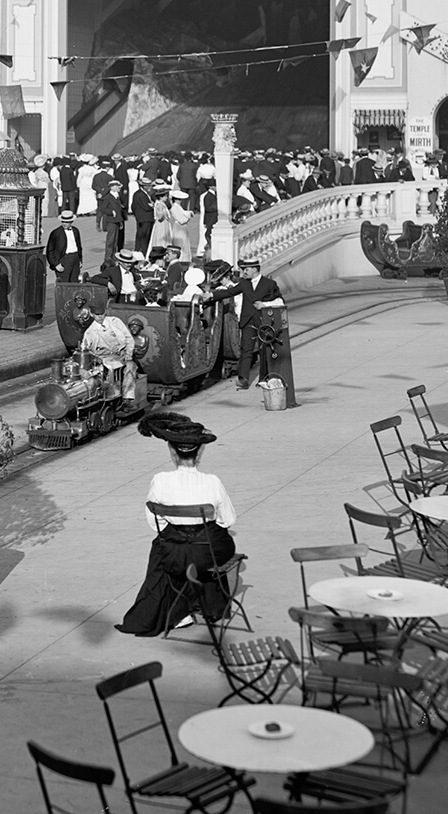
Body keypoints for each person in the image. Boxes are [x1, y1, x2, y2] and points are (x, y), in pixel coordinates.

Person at [116, 413, 238, 636]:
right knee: (214, 541)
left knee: (164, 550)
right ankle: (210, 605)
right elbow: (227, 519)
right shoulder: (212, 481)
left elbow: (155, 522)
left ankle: (175, 611)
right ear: (199, 452)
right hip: (206, 553)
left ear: (172, 452)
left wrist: (178, 531)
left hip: (172, 554)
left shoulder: (160, 480)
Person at [233, 259, 295, 403]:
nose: (243, 272)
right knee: (246, 349)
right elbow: (230, 292)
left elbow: (280, 301)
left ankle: (264, 377)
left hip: (263, 323)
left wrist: (264, 305)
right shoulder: (244, 283)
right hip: (248, 321)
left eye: (246, 269)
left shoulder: (269, 284)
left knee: (264, 350)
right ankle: (243, 378)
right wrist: (211, 296)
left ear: (255, 269)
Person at [45, 208, 83, 287]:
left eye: (67, 222)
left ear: (71, 222)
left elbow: (79, 246)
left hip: (75, 258)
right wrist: (56, 264)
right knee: (64, 285)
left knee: (75, 283)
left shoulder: (76, 231)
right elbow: (49, 251)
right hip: (64, 259)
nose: (64, 224)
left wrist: (79, 259)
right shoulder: (56, 233)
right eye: (63, 221)